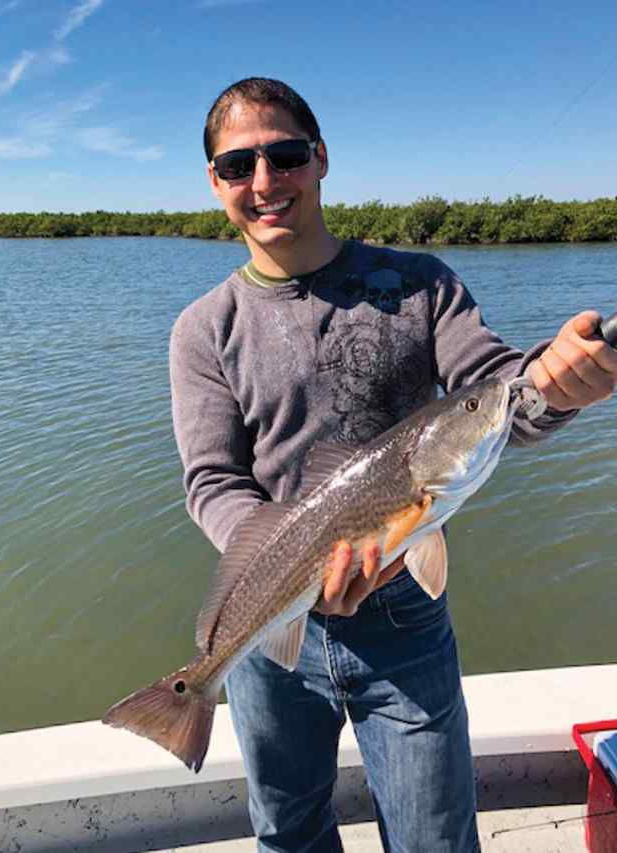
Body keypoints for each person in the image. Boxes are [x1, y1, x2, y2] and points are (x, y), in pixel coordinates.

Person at [169, 77, 617, 853]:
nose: (266, 182)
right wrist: (289, 559)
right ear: (216, 182)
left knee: (436, 839)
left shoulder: (420, 284)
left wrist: (561, 380)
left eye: (286, 155)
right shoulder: (203, 329)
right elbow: (212, 481)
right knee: (288, 834)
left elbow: (503, 393)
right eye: (240, 165)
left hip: (407, 619)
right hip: (273, 633)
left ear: (321, 159)